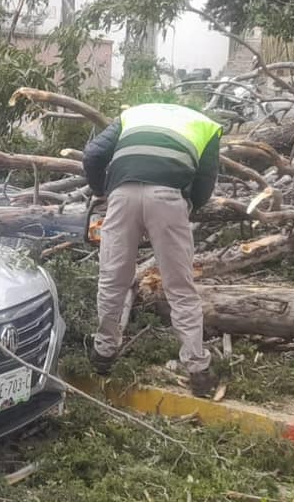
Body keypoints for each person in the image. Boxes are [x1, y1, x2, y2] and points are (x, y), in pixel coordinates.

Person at [82, 103, 222, 398]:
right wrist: (188, 206)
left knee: (113, 279)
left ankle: (103, 354)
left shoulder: (132, 115)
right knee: (179, 286)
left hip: (122, 193)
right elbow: (205, 183)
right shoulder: (205, 125)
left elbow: (93, 155)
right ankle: (198, 371)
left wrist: (101, 191)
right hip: (168, 196)